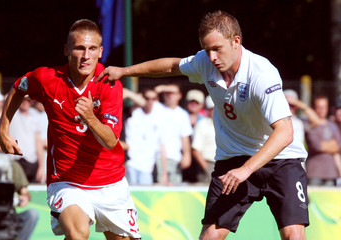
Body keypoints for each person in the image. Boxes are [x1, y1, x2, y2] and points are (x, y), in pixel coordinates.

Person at [97, 10, 309, 240]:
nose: (211, 57)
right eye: (207, 50)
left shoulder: (262, 74)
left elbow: (285, 132)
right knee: (210, 236)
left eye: (217, 49)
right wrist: (124, 71)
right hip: (233, 158)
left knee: (293, 235)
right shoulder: (205, 62)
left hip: (280, 159)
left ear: (236, 41)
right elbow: (171, 66)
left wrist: (246, 170)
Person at [0, 19, 141, 240]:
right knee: (77, 234)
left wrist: (91, 118)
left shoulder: (109, 85)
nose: (86, 56)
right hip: (67, 181)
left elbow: (111, 141)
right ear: (66, 50)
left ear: (101, 52)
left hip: (111, 181)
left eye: (92, 49)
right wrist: (3, 130)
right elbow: (19, 87)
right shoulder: (47, 79)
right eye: (79, 48)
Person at [0, 130, 39, 240]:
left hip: (8, 216)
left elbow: (25, 193)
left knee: (32, 215)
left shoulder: (14, 167)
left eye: (1, 141)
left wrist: (24, 198)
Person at [292, 95, 341, 186]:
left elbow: (338, 146)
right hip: (314, 172)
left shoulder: (332, 125)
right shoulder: (309, 125)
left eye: (324, 107)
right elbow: (316, 145)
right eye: (319, 107)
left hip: (331, 173)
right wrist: (331, 145)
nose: (321, 110)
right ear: (314, 108)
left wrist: (329, 146)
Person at [124, 88, 167, 185]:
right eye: (147, 98)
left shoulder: (159, 117)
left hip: (147, 167)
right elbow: (126, 93)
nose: (150, 101)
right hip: (130, 164)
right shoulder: (133, 112)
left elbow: (162, 147)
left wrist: (164, 174)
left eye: (153, 98)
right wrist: (136, 96)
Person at [153, 83, 193, 185]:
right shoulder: (156, 108)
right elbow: (153, 92)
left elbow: (185, 137)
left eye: (173, 93)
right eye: (167, 93)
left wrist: (187, 155)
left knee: (174, 191)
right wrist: (164, 87)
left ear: (180, 95)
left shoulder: (183, 114)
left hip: (175, 158)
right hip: (157, 157)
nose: (170, 95)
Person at [8, 95, 45, 183]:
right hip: (16, 160)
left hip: (32, 161)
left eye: (28, 100)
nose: (25, 102)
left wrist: (41, 167)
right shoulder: (12, 113)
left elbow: (38, 142)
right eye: (22, 100)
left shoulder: (35, 116)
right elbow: (7, 98)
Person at [191, 95, 216, 184]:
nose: (215, 111)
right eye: (212, 109)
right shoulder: (202, 124)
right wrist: (206, 168)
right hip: (208, 164)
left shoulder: (227, 125)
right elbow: (195, 149)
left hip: (224, 165)